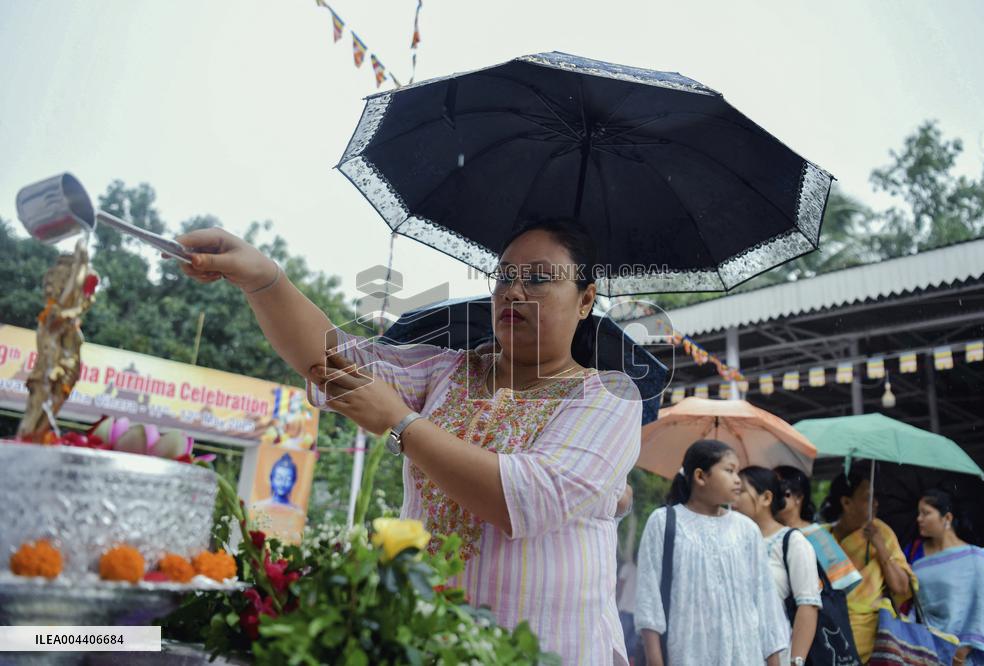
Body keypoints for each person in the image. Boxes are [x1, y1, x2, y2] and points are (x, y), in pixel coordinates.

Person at [177, 219, 642, 665]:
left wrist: (402, 423)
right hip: (424, 641)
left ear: (585, 300)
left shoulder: (607, 396)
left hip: (547, 650)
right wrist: (264, 279)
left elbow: (529, 496)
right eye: (504, 277)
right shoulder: (445, 370)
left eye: (539, 279)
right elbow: (334, 361)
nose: (513, 292)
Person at [635, 439, 789, 666]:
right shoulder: (663, 523)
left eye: (737, 471)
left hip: (745, 656)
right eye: (729, 470)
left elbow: (765, 602)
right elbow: (648, 599)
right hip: (687, 655)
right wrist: (655, 661)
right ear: (700, 476)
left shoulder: (746, 529)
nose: (738, 480)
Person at [820, 466, 916, 663]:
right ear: (846, 502)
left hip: (870, 635)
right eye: (868, 498)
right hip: (828, 631)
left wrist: (880, 546)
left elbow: (901, 586)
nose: (876, 503)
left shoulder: (881, 532)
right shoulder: (821, 537)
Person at [736, 466, 821, 666]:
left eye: (741, 492)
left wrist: (796, 661)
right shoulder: (732, 541)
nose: (734, 499)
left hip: (779, 656)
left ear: (766, 498)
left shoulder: (792, 542)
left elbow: (808, 605)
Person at [906, 490, 984, 666]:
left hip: (963, 657)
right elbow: (915, 608)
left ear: (947, 518)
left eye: (926, 513)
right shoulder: (917, 559)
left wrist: (961, 654)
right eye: (918, 513)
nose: (919, 519)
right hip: (925, 652)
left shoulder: (976, 558)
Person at [774, 465, 863, 594]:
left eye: (779, 490)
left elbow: (844, 582)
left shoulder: (816, 535)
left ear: (798, 497)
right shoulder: (766, 532)